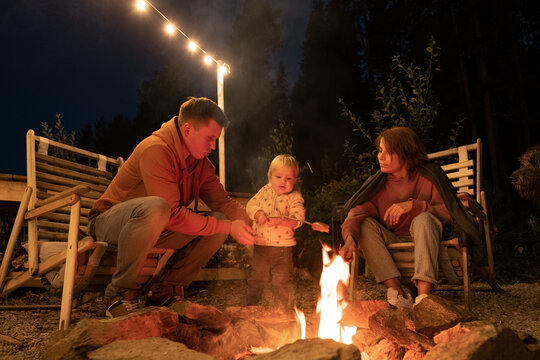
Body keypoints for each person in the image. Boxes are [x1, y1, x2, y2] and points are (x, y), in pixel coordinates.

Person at [88, 97, 256, 317]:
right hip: (108, 223)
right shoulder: (155, 150)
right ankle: (119, 294)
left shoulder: (200, 164)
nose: (213, 146)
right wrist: (228, 228)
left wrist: (256, 224)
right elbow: (172, 214)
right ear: (187, 130)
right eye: (210, 138)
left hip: (155, 226)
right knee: (158, 207)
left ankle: (164, 290)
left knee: (221, 220)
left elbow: (222, 202)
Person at [340, 127, 483, 307]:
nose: (380, 157)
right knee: (363, 224)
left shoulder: (430, 176)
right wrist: (350, 239)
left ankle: (423, 299)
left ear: (406, 152)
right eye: (380, 150)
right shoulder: (379, 185)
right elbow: (356, 213)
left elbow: (450, 213)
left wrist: (415, 206)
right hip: (395, 244)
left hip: (431, 243)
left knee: (423, 219)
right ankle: (398, 293)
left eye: (388, 152)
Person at [245, 154, 306, 308]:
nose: (283, 182)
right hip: (262, 246)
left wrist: (282, 220)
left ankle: (281, 311)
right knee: (257, 278)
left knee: (282, 281)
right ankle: (250, 307)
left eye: (289, 179)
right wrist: (258, 213)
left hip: (283, 250)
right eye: (278, 177)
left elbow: (299, 219)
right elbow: (250, 205)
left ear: (295, 180)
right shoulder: (264, 191)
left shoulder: (294, 197)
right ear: (269, 176)